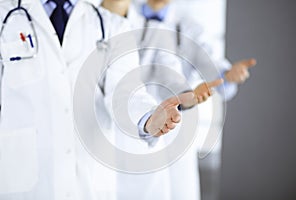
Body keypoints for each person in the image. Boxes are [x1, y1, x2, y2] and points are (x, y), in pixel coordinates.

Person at [0, 0, 208, 199]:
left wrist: (148, 118)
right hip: (22, 175)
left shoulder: (112, 25)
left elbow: (125, 91)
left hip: (87, 176)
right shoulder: (5, 17)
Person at [131, 0, 257, 199]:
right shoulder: (122, 15)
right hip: (131, 124)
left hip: (176, 125)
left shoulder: (188, 27)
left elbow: (212, 67)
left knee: (178, 191)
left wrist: (228, 75)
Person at [101, 0, 225, 200]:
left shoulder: (157, 30)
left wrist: (187, 96)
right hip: (96, 142)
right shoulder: (82, 21)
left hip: (145, 131)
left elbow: (169, 72)